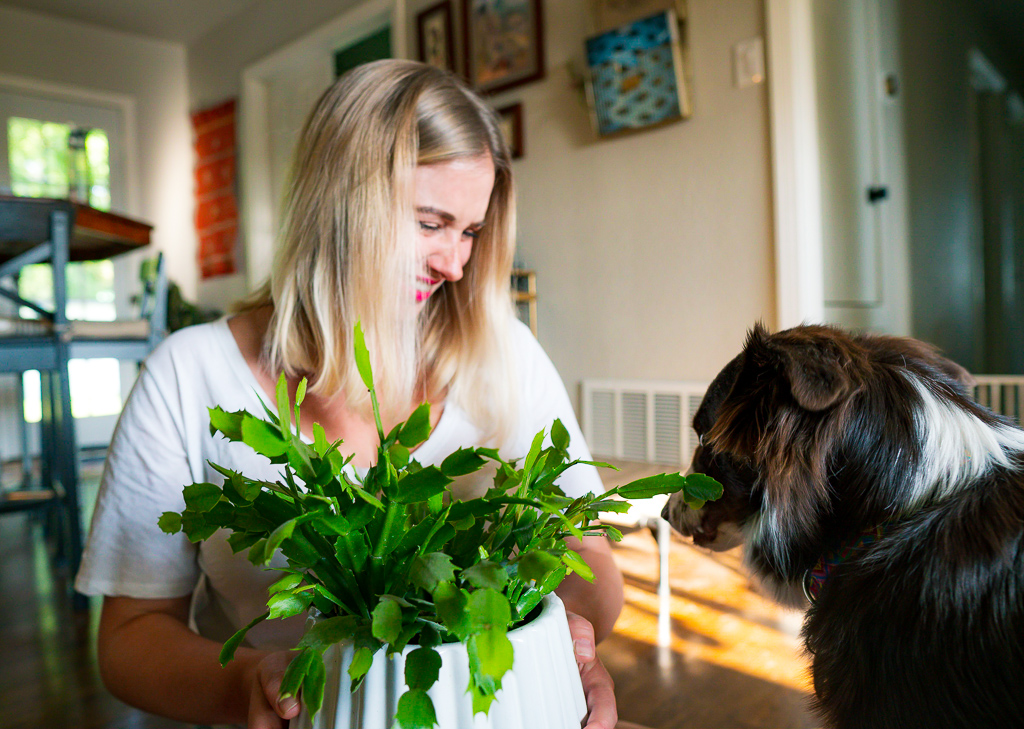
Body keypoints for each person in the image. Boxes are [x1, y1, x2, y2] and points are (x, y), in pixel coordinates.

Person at [75, 59, 623, 729]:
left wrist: (570, 640)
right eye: (430, 223)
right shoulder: (186, 377)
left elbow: (587, 550)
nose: (456, 264)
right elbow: (131, 634)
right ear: (339, 202)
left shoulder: (503, 352)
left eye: (471, 231)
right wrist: (251, 681)